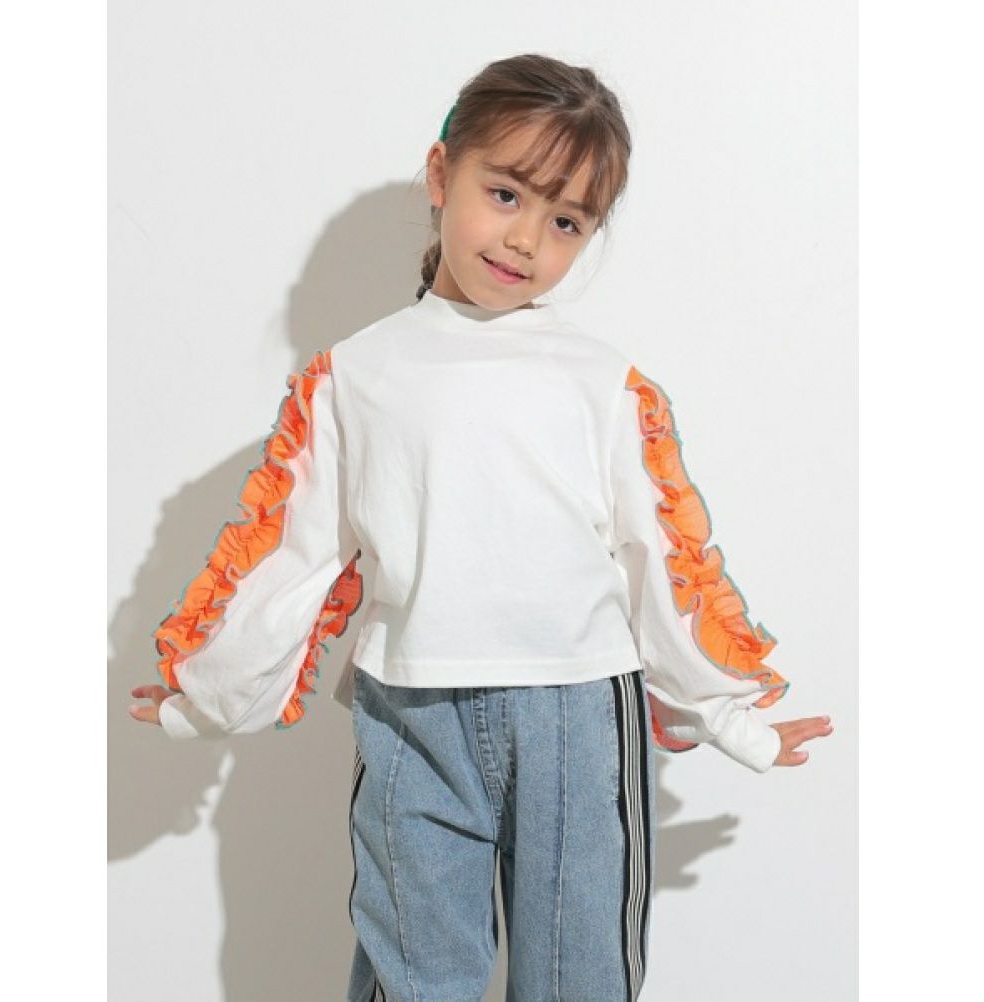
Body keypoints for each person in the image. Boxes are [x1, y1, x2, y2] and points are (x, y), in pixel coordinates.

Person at [130, 52, 833, 1002]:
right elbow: (294, 552)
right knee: (415, 977)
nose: (526, 238)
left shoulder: (602, 383)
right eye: (505, 194)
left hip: (581, 718)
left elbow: (660, 565)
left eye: (567, 221)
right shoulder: (356, 375)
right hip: (414, 717)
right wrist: (210, 693)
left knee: (581, 976)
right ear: (440, 173)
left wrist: (728, 717)